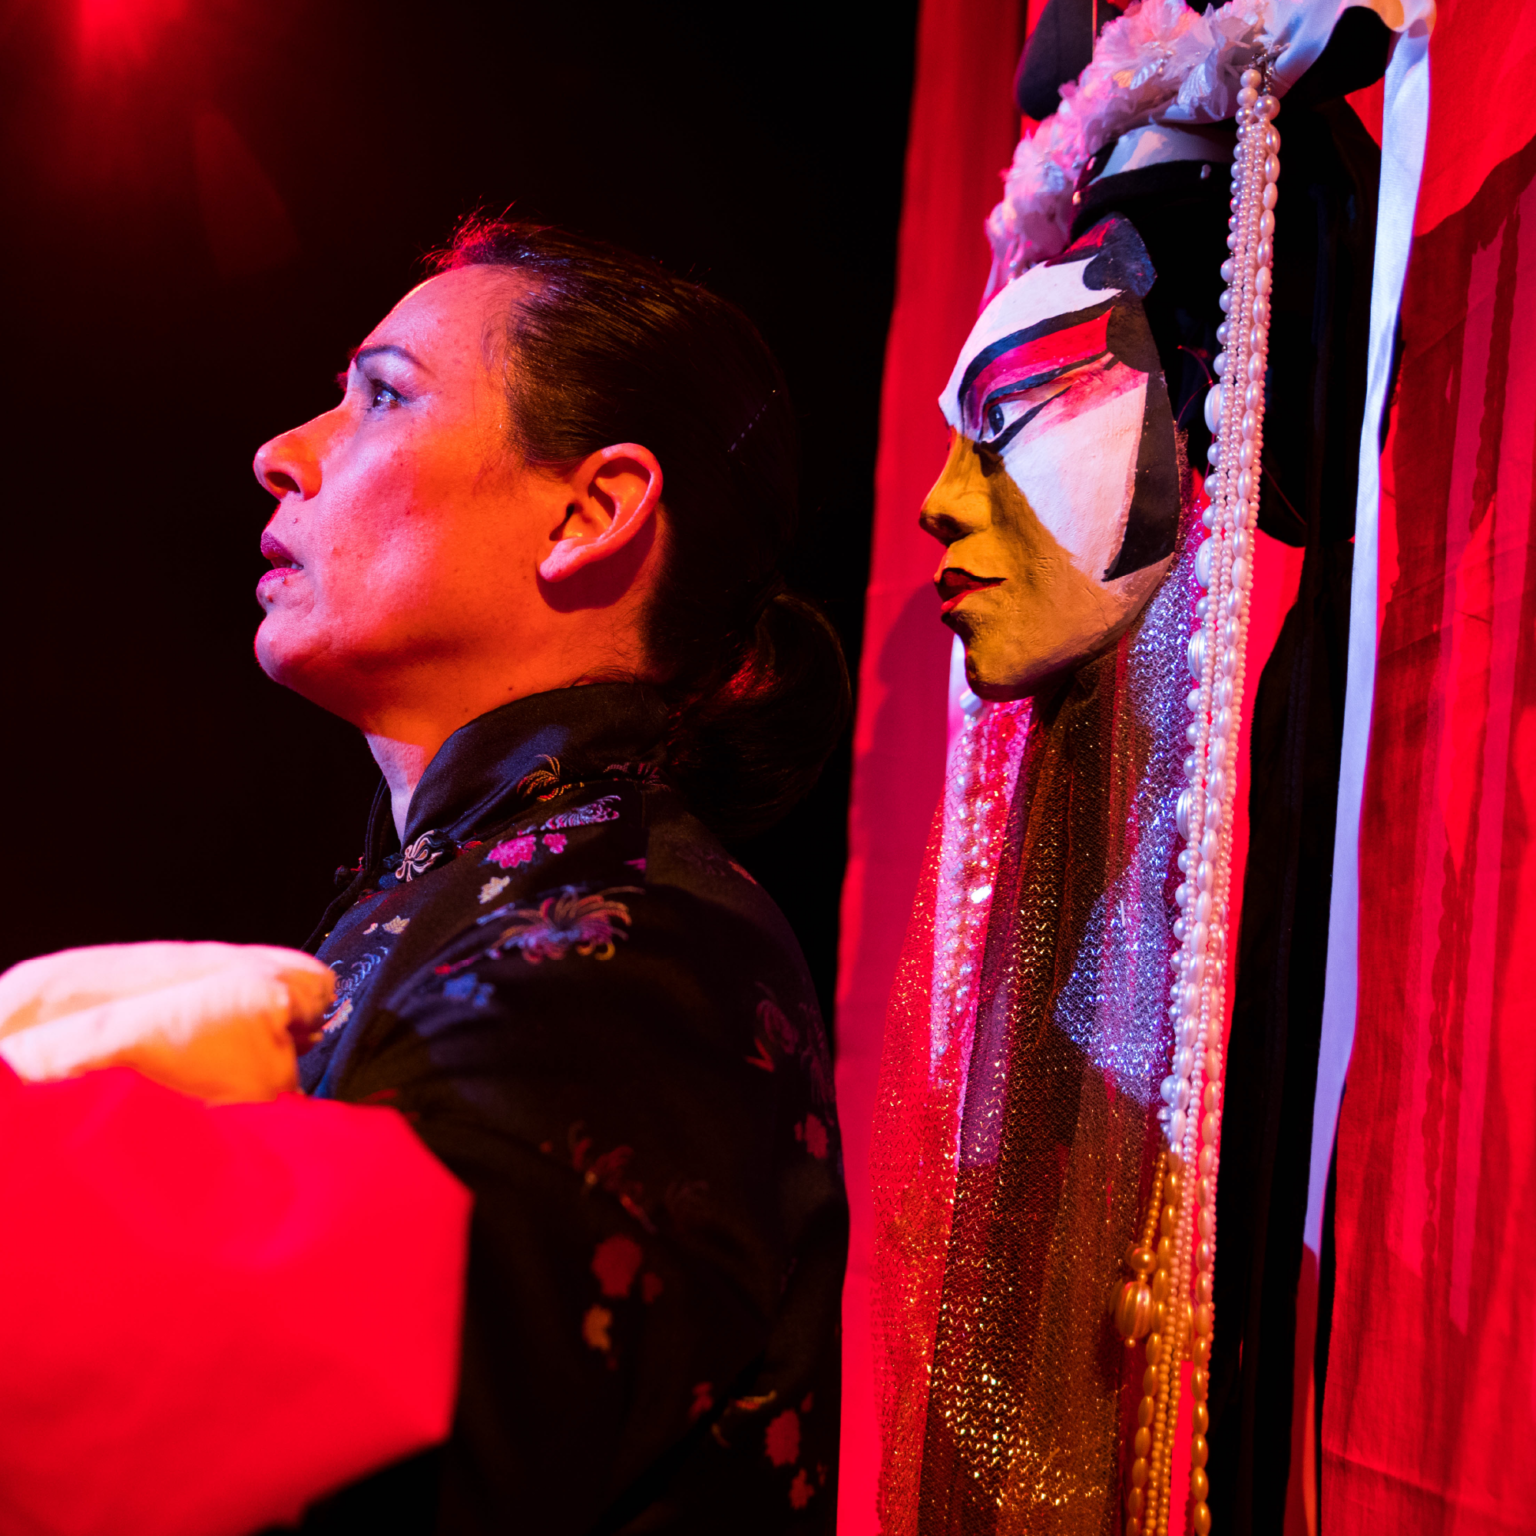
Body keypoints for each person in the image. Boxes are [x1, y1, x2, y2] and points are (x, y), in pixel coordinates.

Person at [249, 220, 851, 1533]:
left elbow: (333, 1462)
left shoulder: (635, 951)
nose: (282, 454)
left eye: (385, 394)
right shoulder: (461, 894)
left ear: (591, 513)